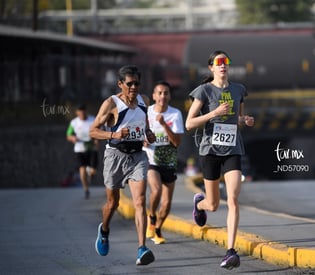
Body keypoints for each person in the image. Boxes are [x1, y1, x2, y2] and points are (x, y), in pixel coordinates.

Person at [185, 50, 255, 270]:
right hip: (210, 151)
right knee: (213, 205)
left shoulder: (238, 90)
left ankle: (231, 250)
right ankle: (200, 203)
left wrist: (245, 120)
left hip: (233, 149)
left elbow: (238, 119)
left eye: (226, 62)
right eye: (219, 62)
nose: (223, 65)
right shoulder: (204, 91)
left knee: (233, 199)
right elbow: (189, 123)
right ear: (211, 68)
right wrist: (213, 114)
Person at [89, 65, 156, 265]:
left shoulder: (144, 100)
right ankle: (105, 229)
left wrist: (148, 134)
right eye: (130, 84)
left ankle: (142, 248)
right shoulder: (111, 104)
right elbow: (93, 131)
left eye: (137, 83)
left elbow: (145, 124)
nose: (134, 87)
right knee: (113, 204)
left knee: (140, 201)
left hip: (137, 156)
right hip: (115, 157)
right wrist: (114, 134)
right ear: (120, 84)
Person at [143, 80, 184, 245]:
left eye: (165, 93)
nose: (162, 96)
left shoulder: (175, 114)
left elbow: (177, 142)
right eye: (159, 93)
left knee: (166, 204)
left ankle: (158, 229)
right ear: (154, 95)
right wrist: (142, 142)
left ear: (169, 96)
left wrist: (163, 124)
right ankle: (151, 216)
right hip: (151, 159)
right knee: (156, 190)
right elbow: (137, 133)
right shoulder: (146, 113)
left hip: (169, 161)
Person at [66, 104, 98, 199]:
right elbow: (68, 135)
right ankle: (86, 189)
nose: (82, 113)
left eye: (83, 111)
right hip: (80, 148)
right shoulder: (74, 122)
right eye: (80, 111)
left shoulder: (93, 119)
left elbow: (99, 130)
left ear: (86, 111)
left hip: (91, 148)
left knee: (93, 171)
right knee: (82, 168)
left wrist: (96, 139)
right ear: (77, 113)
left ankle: (90, 174)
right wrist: (73, 138)